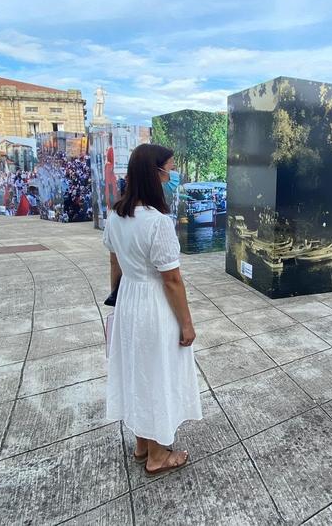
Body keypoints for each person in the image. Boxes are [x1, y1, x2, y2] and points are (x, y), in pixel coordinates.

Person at [103, 143, 202, 476]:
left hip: (130, 297)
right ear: (155, 173)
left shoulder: (116, 213)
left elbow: (114, 261)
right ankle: (158, 455)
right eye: (169, 168)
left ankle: (143, 443)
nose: (172, 174)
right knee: (156, 373)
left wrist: (117, 296)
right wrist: (186, 324)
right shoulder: (157, 221)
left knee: (137, 369)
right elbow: (172, 280)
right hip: (153, 305)